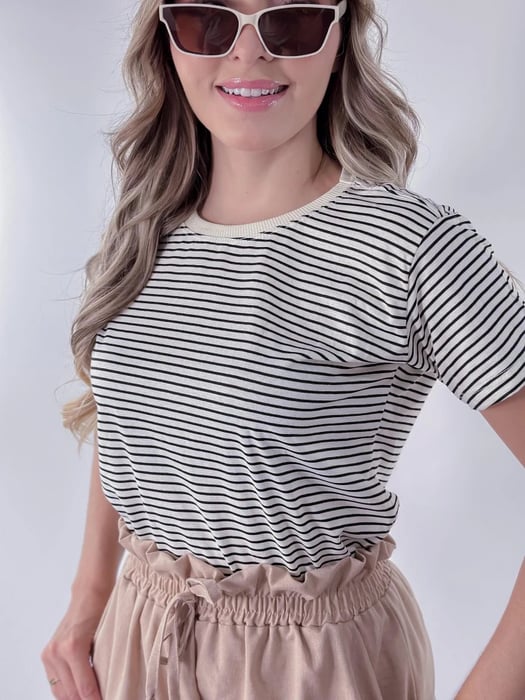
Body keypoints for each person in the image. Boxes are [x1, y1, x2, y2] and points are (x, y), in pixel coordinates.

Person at [41, 0, 525, 698]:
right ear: (166, 38)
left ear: (340, 37)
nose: (247, 52)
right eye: (207, 21)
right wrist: (88, 598)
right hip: (138, 637)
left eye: (289, 21)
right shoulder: (148, 226)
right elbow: (134, 417)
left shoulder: (408, 246)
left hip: (306, 666)